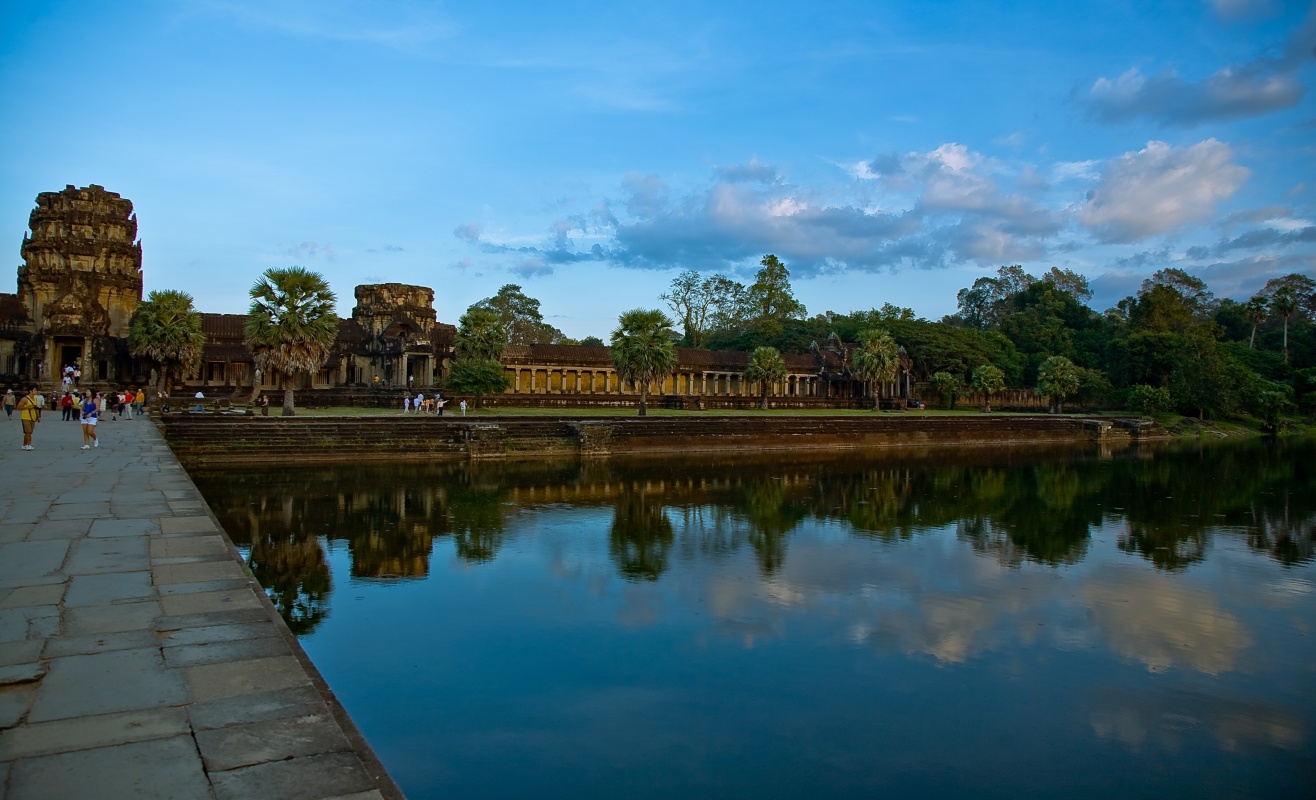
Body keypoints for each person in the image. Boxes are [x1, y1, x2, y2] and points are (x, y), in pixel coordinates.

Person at [17, 385, 40, 450]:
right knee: (28, 432)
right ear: (30, 391)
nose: (36, 391)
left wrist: (38, 417)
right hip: (26, 417)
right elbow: (18, 407)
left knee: (29, 432)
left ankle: (24, 445)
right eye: (35, 390)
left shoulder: (35, 399)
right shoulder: (25, 399)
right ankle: (29, 445)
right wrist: (28, 407)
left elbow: (36, 408)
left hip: (32, 417)